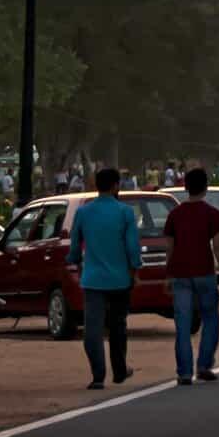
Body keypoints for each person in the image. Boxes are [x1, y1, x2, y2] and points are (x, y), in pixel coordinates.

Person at [65, 167, 141, 389]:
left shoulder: (84, 212)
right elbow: (132, 248)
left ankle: (98, 375)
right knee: (118, 326)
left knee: (93, 330)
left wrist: (75, 261)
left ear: (96, 185)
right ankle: (119, 370)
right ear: (116, 185)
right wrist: (134, 271)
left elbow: (74, 246)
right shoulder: (125, 213)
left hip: (92, 279)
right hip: (119, 279)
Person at [162, 167, 219, 385]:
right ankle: (204, 364)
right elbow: (217, 247)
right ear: (206, 187)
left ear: (185, 187)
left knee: (182, 323)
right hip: (205, 272)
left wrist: (167, 275)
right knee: (210, 319)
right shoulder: (213, 214)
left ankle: (184, 372)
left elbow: (169, 249)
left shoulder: (174, 215)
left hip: (180, 274)